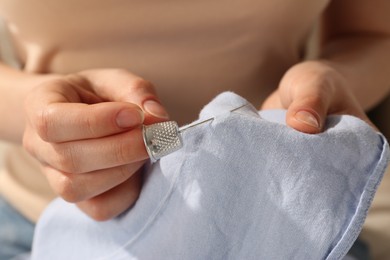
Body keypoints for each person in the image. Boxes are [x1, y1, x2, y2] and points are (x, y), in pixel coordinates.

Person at [0, 0, 389, 258]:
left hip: (277, 217)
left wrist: (332, 79)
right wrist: (37, 114)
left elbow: (372, 36)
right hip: (35, 220)